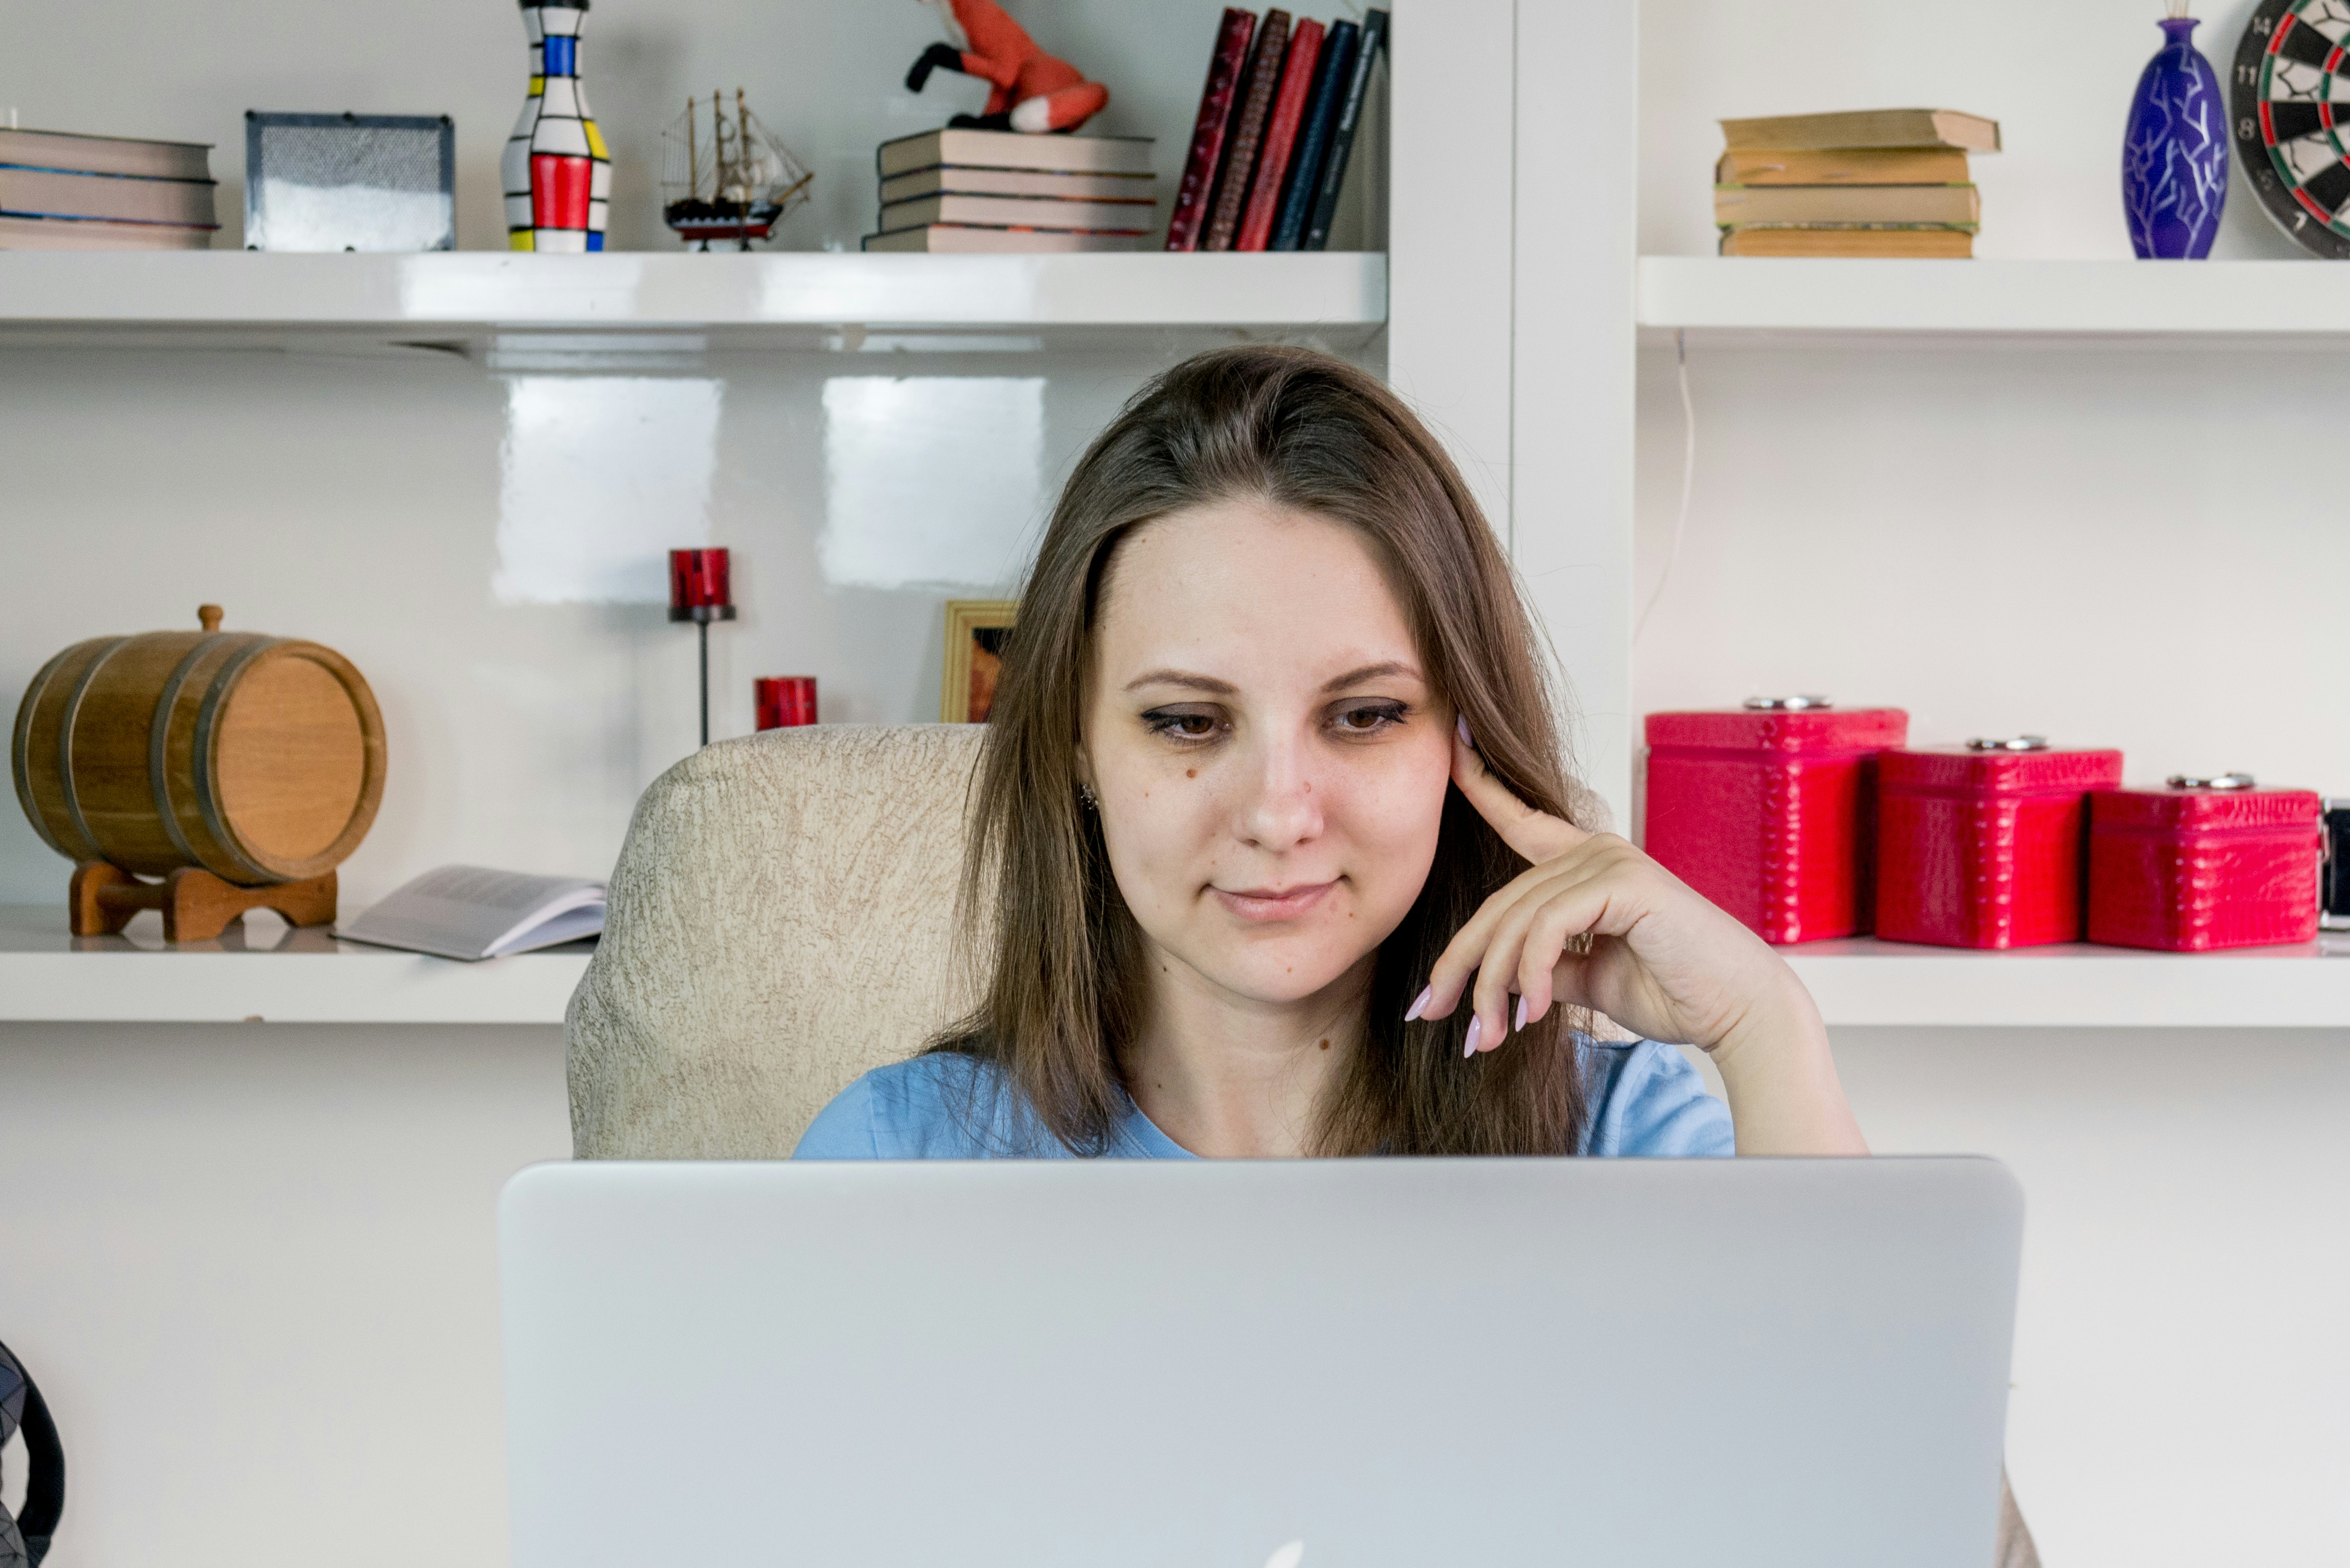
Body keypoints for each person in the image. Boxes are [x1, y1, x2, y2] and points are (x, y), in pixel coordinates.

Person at [795, 344, 1867, 1163]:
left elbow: (1905, 1463)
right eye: (1186, 722)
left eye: (1362, 716)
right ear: (1076, 746)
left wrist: (1763, 1020)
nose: (1277, 812)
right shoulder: (899, 1155)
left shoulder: (1621, 1141)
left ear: (1465, 741)